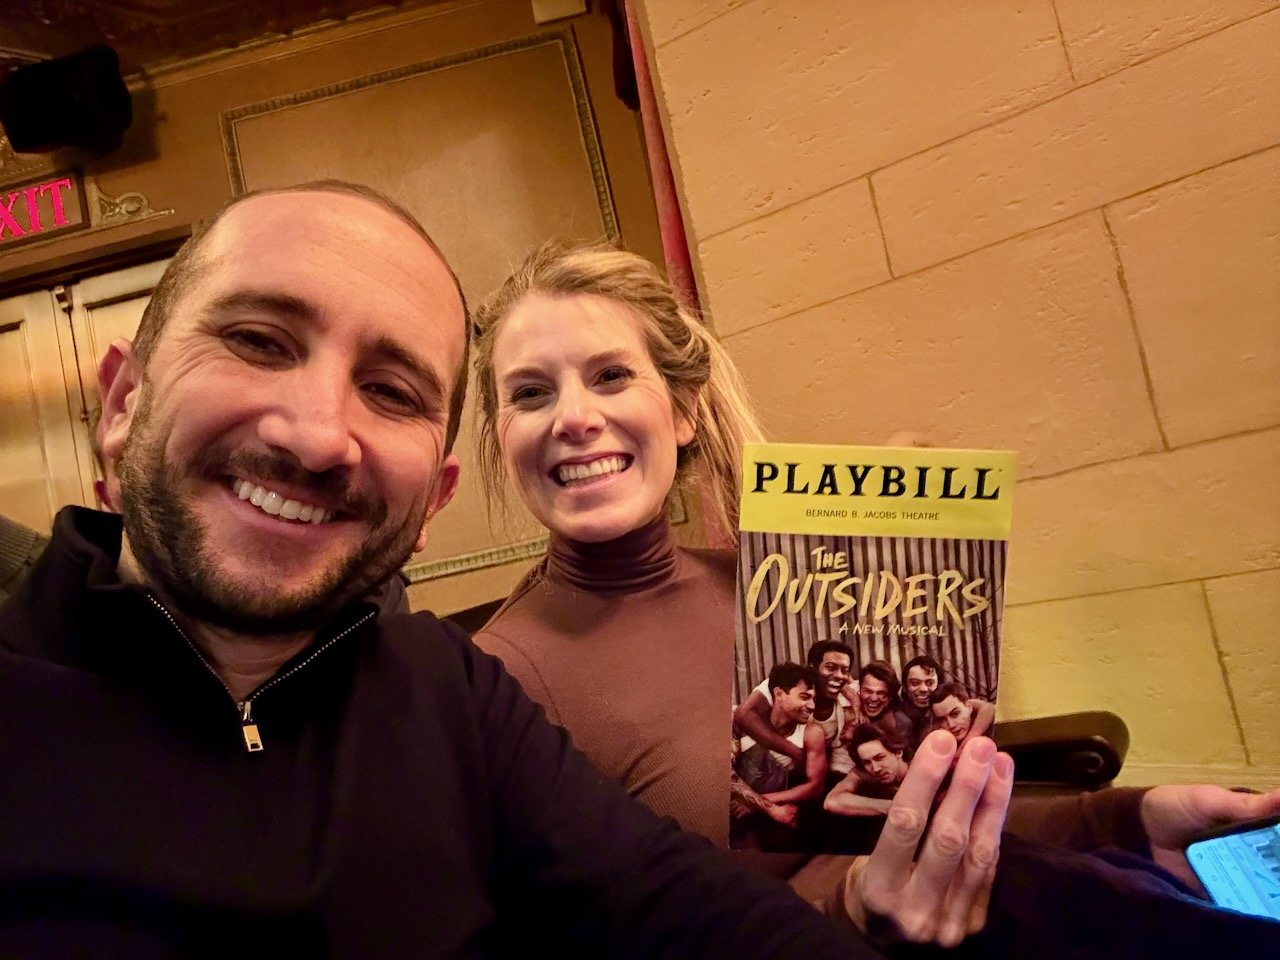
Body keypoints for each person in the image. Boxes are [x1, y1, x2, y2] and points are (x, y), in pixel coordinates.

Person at [0, 182, 900, 957]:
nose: (317, 435)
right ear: (122, 401)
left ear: (435, 499)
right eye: (259, 341)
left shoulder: (449, 695)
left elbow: (695, 918)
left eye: (390, 392)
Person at [467, 241, 1280, 951]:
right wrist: (850, 915)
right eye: (530, 392)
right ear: (502, 439)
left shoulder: (773, 587)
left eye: (611, 375)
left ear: (682, 411)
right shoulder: (489, 685)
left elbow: (914, 825)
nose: (574, 417)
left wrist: (1127, 822)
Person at [732, 662, 828, 849]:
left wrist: (758, 803)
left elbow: (815, 787)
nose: (811, 706)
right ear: (779, 694)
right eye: (804, 697)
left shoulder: (812, 733)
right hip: (733, 803)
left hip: (772, 805)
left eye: (814, 699)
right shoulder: (744, 722)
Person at [735, 640, 856, 784]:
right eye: (831, 667)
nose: (839, 675)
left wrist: (855, 700)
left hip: (805, 775)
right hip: (760, 765)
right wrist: (796, 753)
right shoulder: (788, 683)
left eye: (845, 671)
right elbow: (743, 714)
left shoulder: (847, 700)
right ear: (812, 667)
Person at [825, 726, 911, 817]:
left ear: (898, 753)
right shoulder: (864, 772)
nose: (876, 769)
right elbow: (832, 801)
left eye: (880, 758)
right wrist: (889, 806)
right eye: (867, 762)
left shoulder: (917, 768)